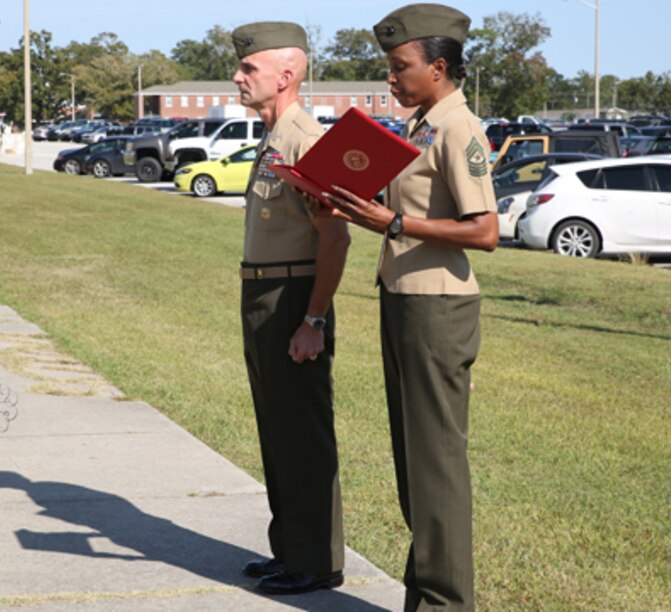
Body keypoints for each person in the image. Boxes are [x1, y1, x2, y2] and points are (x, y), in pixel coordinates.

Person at [320, 4, 499, 610]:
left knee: (436, 466)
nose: (390, 79)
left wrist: (394, 220)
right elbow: (407, 221)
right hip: (403, 299)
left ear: (439, 68)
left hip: (437, 311)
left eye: (400, 68)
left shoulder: (458, 128)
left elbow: (485, 231)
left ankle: (446, 604)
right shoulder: (422, 125)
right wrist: (356, 208)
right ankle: (424, 596)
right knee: (414, 466)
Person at [231, 21, 352, 596]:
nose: (237, 76)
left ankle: (318, 561)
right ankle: (292, 550)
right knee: (278, 430)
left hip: (293, 298)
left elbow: (335, 239)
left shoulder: (309, 140)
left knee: (302, 431)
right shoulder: (275, 136)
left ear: (287, 74)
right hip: (263, 293)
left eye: (248, 68)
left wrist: (314, 320)